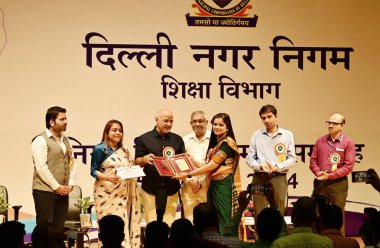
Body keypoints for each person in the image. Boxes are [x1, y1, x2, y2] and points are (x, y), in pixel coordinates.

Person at [174, 113, 241, 235]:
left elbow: (212, 166)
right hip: (214, 186)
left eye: (221, 125)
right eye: (215, 124)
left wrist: (187, 174)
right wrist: (193, 163)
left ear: (228, 127)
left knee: (224, 217)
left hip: (223, 186)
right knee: (216, 219)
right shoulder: (217, 143)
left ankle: (226, 243)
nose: (217, 127)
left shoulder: (227, 143)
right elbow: (208, 166)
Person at [90, 120, 141, 248]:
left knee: (121, 224)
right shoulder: (100, 149)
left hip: (122, 195)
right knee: (107, 225)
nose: (118, 133)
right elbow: (93, 171)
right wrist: (107, 177)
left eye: (120, 130)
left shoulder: (124, 150)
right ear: (107, 132)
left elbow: (128, 168)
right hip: (105, 194)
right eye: (114, 130)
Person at [134, 109, 185, 225]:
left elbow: (182, 161)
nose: (169, 124)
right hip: (150, 186)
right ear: (157, 120)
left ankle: (167, 243)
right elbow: (136, 162)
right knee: (151, 222)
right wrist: (144, 159)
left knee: (169, 223)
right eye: (165, 121)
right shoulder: (144, 139)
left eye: (171, 121)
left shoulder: (178, 139)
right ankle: (152, 243)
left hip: (172, 186)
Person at [31, 106, 77, 232]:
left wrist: (70, 184)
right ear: (52, 122)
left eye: (66, 119)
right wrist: (56, 187)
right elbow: (41, 168)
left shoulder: (66, 140)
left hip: (63, 191)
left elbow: (72, 162)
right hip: (44, 191)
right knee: (45, 229)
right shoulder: (40, 140)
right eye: (62, 119)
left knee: (58, 229)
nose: (66, 122)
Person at [246, 104, 296, 217]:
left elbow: (292, 158)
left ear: (276, 116)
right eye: (263, 118)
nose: (266, 120)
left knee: (279, 210)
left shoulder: (287, 135)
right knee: (259, 211)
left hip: (279, 176)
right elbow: (249, 158)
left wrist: (277, 167)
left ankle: (279, 234)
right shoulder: (256, 135)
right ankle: (260, 235)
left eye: (269, 116)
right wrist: (260, 166)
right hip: (260, 177)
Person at [309, 112, 355, 235]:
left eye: (334, 123)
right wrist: (318, 172)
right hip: (320, 183)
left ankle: (339, 242)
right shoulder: (320, 140)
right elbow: (313, 161)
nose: (330, 125)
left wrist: (330, 176)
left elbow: (348, 166)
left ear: (342, 125)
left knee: (338, 214)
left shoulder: (348, 142)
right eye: (328, 122)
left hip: (338, 184)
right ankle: (318, 241)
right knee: (318, 213)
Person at [181, 111, 211, 222]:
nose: (197, 124)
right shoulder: (184, 140)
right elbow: (180, 165)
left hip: (208, 186)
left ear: (206, 122)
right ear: (190, 123)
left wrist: (194, 161)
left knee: (207, 221)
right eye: (194, 121)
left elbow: (214, 165)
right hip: (189, 186)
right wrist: (189, 181)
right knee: (190, 220)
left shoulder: (214, 139)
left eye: (200, 121)